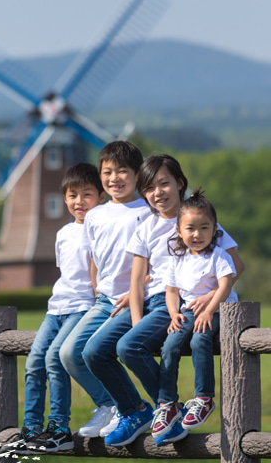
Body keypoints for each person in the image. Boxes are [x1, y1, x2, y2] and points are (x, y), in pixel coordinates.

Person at [83, 154, 244, 447]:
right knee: (93, 350)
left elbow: (236, 266)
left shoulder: (196, 218)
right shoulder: (146, 224)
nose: (157, 192)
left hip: (176, 303)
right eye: (148, 187)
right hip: (147, 302)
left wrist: (210, 295)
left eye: (164, 184)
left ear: (179, 183)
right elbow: (138, 277)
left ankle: (167, 407)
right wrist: (134, 317)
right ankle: (137, 411)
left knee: (129, 346)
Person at [1, 162, 105, 454]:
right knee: (34, 362)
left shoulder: (101, 231)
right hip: (56, 308)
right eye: (72, 195)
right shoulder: (63, 233)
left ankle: (59, 427)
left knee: (55, 360)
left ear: (101, 197)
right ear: (64, 198)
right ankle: (31, 428)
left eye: (87, 194)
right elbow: (66, 273)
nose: (79, 201)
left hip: (83, 307)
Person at [59, 140, 152, 438]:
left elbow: (160, 262)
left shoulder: (148, 211)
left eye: (123, 171)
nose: (114, 178)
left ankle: (133, 409)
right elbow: (95, 260)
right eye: (107, 172)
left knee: (96, 351)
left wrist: (138, 291)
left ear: (138, 174)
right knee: (69, 352)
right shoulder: (96, 214)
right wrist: (98, 290)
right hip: (104, 300)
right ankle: (112, 405)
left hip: (136, 298)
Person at [151, 188, 238, 439]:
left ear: (214, 231)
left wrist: (209, 311)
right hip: (188, 311)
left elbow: (225, 285)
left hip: (221, 309)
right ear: (179, 231)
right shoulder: (177, 259)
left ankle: (204, 398)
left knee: (200, 339)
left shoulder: (217, 256)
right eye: (190, 228)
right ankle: (166, 403)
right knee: (169, 346)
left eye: (204, 228)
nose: (197, 234)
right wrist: (173, 313)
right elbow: (171, 290)